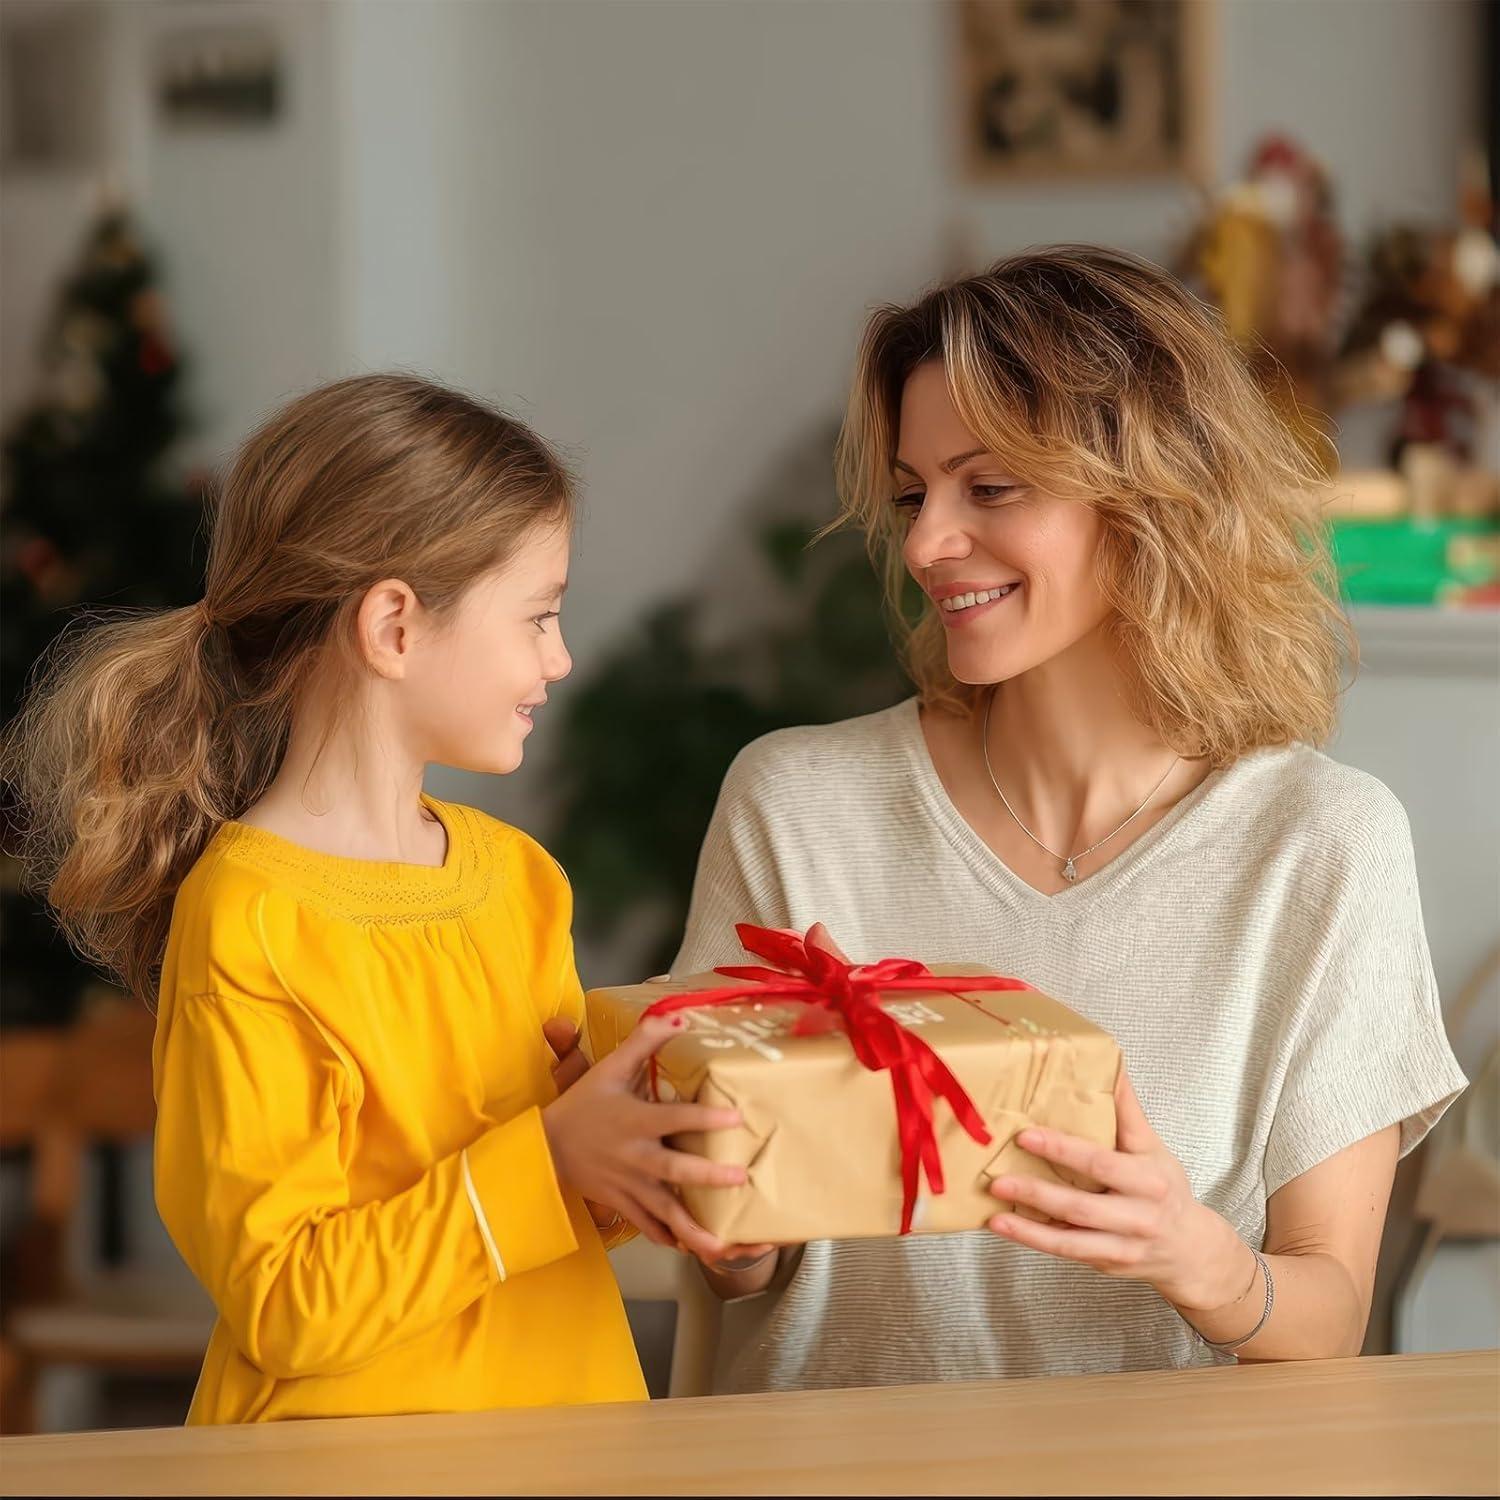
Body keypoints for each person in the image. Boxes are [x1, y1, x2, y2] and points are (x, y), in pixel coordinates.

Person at [674, 247, 1467, 1393]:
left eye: (989, 488)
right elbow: (735, 1261)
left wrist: (1195, 1259)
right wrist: (723, 1225)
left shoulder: (1321, 844)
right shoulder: (797, 807)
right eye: (912, 493)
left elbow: (1330, 1314)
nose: (926, 543)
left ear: (1150, 500)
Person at [3, 374, 749, 1423]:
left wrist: (643, 1160)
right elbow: (283, 1304)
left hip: (575, 1446)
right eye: (539, 616)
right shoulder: (252, 920)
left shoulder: (521, 882)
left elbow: (561, 1209)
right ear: (395, 626)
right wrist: (549, 1157)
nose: (561, 657)